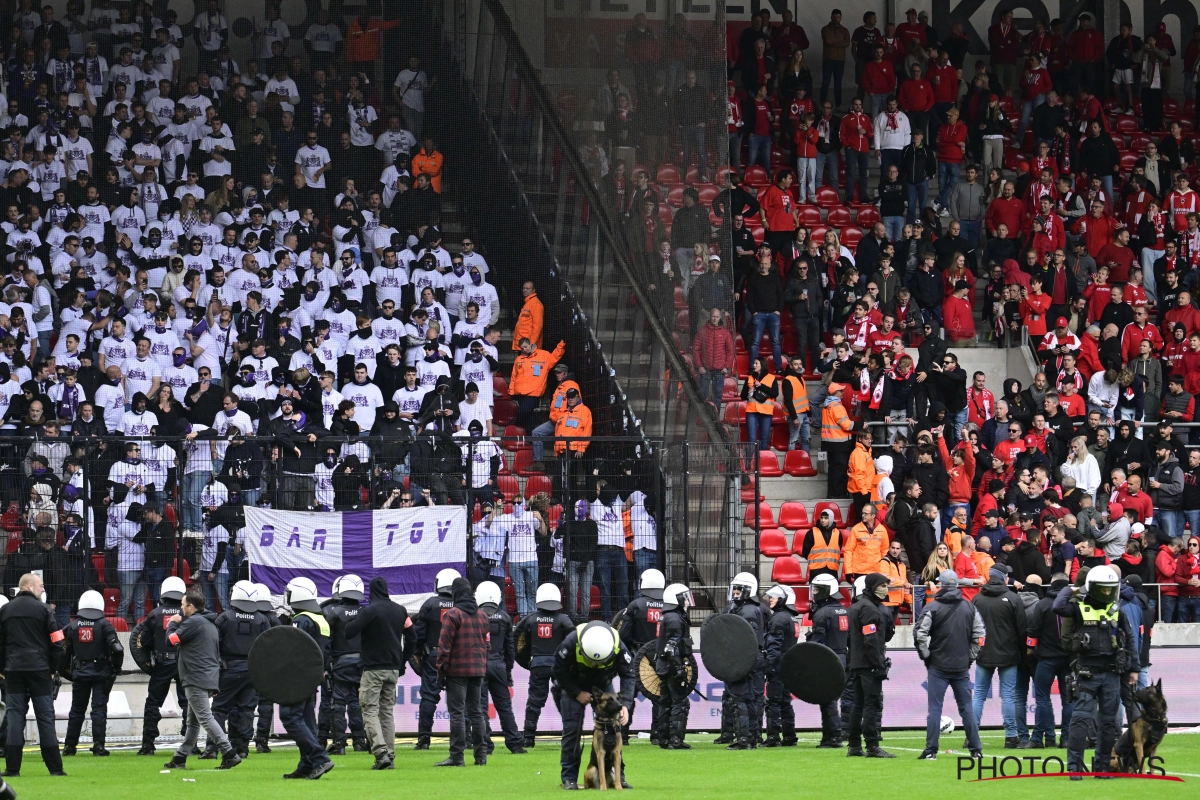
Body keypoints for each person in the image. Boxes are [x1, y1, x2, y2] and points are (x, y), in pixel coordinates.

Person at [1054, 566, 1140, 776]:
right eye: (1103, 589)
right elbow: (1058, 606)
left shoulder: (1116, 609)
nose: (1107, 593)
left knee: (1109, 722)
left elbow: (1129, 638)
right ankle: (1075, 768)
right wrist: (1072, 589)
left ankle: (1102, 767)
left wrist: (1134, 668)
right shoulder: (1078, 607)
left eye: (1110, 589)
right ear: (1091, 587)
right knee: (1081, 719)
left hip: (1112, 672)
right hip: (1087, 672)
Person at [163, 589, 243, 770]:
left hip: (195, 677)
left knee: (205, 718)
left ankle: (229, 753)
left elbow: (171, 641)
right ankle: (180, 757)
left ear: (191, 606)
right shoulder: (208, 622)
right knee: (192, 722)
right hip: (207, 676)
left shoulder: (193, 622)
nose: (181, 608)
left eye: (183, 605)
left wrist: (172, 624)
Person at [343, 575, 414, 769]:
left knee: (370, 710)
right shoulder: (400, 611)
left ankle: (381, 752)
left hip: (373, 670)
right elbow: (412, 637)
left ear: (371, 591)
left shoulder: (370, 611)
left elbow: (350, 631)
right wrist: (402, 660)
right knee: (387, 712)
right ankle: (389, 754)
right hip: (393, 669)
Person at [914, 570, 985, 760]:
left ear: (941, 585)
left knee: (935, 710)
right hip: (961, 667)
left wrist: (927, 657)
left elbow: (920, 634)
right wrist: (969, 658)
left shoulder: (932, 607)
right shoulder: (970, 607)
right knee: (967, 709)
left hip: (938, 666)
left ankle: (931, 751)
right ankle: (976, 750)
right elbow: (979, 636)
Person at [0, 572, 66, 776]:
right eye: (41, 586)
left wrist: (4, 668)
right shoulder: (44, 610)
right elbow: (58, 643)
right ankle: (55, 768)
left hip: (14, 671)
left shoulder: (5, 611)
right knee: (45, 717)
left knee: (14, 717)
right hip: (40, 670)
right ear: (29, 587)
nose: (43, 589)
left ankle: (12, 768)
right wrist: (53, 669)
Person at [205, 581, 270, 760]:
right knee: (247, 709)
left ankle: (213, 747)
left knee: (219, 709)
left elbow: (213, 643)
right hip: (253, 670)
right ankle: (242, 747)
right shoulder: (262, 619)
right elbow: (268, 645)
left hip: (229, 669)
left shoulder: (225, 618)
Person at [279, 577, 335, 780]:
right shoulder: (322, 619)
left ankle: (319, 758)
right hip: (313, 676)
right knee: (307, 718)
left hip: (297, 676)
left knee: (290, 716)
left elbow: (292, 649)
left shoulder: (301, 619)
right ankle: (307, 765)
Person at [435, 577, 490, 767]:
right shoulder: (483, 615)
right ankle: (481, 756)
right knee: (477, 713)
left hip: (457, 671)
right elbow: (487, 644)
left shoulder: (452, 615)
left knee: (457, 713)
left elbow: (444, 647)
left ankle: (457, 756)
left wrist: (441, 671)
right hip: (478, 670)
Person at [132, 576, 189, 755]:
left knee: (153, 703)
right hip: (183, 662)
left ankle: (148, 744)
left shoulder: (155, 614)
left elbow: (144, 640)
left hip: (162, 663)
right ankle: (190, 742)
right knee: (188, 703)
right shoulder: (187, 614)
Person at [62, 589, 123, 757]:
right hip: (100, 673)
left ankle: (69, 746)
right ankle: (98, 746)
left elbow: (62, 650)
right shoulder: (104, 625)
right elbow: (117, 649)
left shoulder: (73, 625)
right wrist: (115, 670)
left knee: (76, 710)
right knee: (99, 709)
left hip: (80, 673)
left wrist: (66, 672)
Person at [516, 584, 573, 748]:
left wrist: (528, 661)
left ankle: (528, 737)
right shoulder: (564, 620)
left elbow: (521, 644)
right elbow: (573, 643)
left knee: (534, 701)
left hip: (538, 664)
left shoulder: (530, 619)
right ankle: (569, 735)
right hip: (560, 665)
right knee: (565, 698)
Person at [846, 573, 895, 757]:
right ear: (873, 586)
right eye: (882, 585)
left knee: (857, 705)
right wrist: (878, 665)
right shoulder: (871, 609)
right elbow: (871, 640)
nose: (885, 589)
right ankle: (872, 745)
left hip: (856, 662)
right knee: (871, 704)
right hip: (869, 664)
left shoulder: (855, 607)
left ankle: (854, 745)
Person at [473, 581, 524, 756]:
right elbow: (510, 648)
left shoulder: (474, 617)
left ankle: (485, 745)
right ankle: (515, 744)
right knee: (504, 706)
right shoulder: (504, 617)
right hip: (499, 665)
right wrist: (507, 669)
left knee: (480, 708)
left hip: (480, 665)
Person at [616, 569, 666, 745]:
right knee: (659, 698)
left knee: (628, 696)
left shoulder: (635, 605)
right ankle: (658, 734)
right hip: (661, 659)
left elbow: (623, 635)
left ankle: (623, 734)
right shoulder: (669, 605)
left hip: (638, 658)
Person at [717, 573, 766, 750]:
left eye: (739, 590)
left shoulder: (748, 611)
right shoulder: (746, 609)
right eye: (735, 589)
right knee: (750, 699)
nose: (736, 593)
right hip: (751, 658)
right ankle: (751, 737)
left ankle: (744, 738)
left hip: (744, 658)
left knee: (740, 699)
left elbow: (745, 639)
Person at [413, 569, 459, 749]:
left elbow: (419, 633)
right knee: (460, 699)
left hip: (434, 655)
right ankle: (466, 738)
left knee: (429, 698)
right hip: (457, 656)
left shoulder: (430, 604)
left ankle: (424, 740)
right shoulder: (462, 605)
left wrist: (418, 654)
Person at [1027, 573, 1074, 747]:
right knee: (1068, 699)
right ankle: (1067, 738)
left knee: (1042, 698)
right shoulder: (1073, 604)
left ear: (1051, 584)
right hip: (1069, 659)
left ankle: (1046, 737)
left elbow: (1033, 631)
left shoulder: (1043, 604)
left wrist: (1030, 651)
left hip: (1046, 658)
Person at [805, 574, 851, 747]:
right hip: (842, 657)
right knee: (832, 699)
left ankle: (833, 736)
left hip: (828, 658)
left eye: (817, 589)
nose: (814, 592)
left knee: (828, 700)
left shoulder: (822, 613)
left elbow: (817, 642)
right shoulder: (842, 610)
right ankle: (830, 736)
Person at [323, 575, 367, 755]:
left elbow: (327, 642)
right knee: (357, 703)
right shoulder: (365, 612)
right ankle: (359, 741)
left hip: (340, 663)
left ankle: (339, 743)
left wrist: (327, 665)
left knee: (338, 704)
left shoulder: (332, 613)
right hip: (361, 663)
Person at [655, 583, 694, 750]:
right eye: (684, 598)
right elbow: (671, 648)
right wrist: (679, 668)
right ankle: (676, 739)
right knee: (680, 702)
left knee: (665, 702)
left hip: (664, 665)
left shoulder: (667, 616)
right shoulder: (675, 619)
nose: (686, 602)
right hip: (672, 665)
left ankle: (664, 738)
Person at [761, 584, 798, 748]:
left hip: (778, 664)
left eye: (773, 597)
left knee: (773, 702)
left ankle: (773, 737)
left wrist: (768, 665)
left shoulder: (778, 618)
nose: (770, 600)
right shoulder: (792, 618)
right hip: (789, 663)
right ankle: (789, 736)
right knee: (785, 701)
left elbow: (774, 645)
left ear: (783, 599)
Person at [822, 383, 854, 496]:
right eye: (840, 391)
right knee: (840, 471)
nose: (843, 392)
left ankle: (832, 493)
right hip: (840, 444)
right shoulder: (837, 406)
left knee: (833, 470)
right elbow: (847, 425)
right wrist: (860, 424)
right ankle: (839, 494)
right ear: (835, 393)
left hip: (829, 444)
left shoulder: (827, 406)